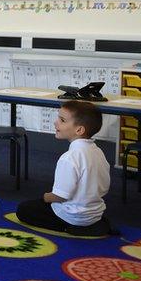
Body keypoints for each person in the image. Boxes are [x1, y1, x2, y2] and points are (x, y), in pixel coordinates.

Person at [16, 101, 112, 236]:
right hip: (94, 214)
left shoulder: (69, 157)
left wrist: (45, 197)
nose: (56, 123)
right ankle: (95, 224)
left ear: (79, 130)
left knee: (24, 209)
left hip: (72, 216)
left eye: (62, 120)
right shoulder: (98, 152)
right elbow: (104, 187)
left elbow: (60, 196)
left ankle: (72, 228)